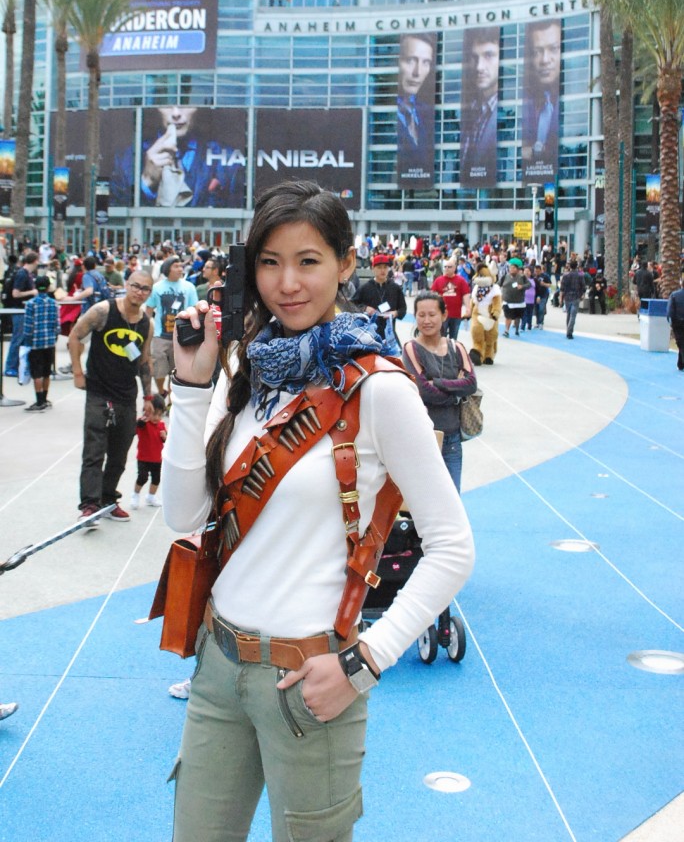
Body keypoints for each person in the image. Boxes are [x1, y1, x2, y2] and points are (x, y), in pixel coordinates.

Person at [161, 181, 474, 842]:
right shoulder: (248, 369)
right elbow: (183, 514)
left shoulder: (380, 389)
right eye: (269, 261)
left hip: (312, 680)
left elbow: (453, 546)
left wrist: (364, 662)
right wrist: (192, 389)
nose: (286, 282)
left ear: (346, 264)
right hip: (217, 669)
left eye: (308, 260)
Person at [68, 271, 154, 526]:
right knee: (94, 450)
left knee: (119, 454)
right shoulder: (103, 310)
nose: (139, 292)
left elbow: (144, 361)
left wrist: (148, 395)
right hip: (99, 391)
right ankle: (89, 505)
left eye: (145, 289)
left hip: (127, 395)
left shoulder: (146, 323)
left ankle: (107, 499)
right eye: (136, 286)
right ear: (126, 286)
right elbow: (75, 335)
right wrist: (77, 372)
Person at [401, 291, 477, 493]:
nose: (426, 320)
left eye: (432, 314)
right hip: (423, 436)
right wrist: (454, 390)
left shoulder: (456, 347)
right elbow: (424, 391)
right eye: (421, 315)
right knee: (422, 503)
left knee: (452, 499)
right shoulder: (411, 349)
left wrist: (439, 382)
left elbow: (471, 383)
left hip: (452, 437)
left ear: (444, 315)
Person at [110, 105, 244, 208]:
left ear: (198, 109)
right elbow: (115, 213)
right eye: (167, 105)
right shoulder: (125, 159)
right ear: (156, 109)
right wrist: (146, 183)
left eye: (185, 104)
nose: (176, 114)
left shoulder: (227, 158)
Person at [146, 257, 199, 395]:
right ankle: (161, 391)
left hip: (181, 335)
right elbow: (149, 309)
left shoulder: (189, 287)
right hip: (160, 335)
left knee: (176, 370)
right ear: (167, 269)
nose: (180, 269)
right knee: (159, 369)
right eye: (176, 266)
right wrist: (146, 328)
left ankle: (171, 398)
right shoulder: (157, 288)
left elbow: (194, 308)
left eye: (181, 266)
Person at [459, 27, 500, 186]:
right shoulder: (471, 112)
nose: (479, 67)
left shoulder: (508, 115)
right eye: (474, 57)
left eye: (488, 56)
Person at [522, 20, 561, 177]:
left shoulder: (574, 106)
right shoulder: (524, 103)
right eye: (537, 52)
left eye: (553, 49)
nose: (545, 60)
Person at [396, 33, 435, 181]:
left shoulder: (427, 113)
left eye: (425, 62)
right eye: (411, 60)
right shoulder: (381, 118)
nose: (417, 72)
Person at [355, 253, 406, 354]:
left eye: (385, 267)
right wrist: (364, 308)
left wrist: (395, 313)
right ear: (373, 268)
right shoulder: (365, 288)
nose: (382, 270)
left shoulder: (395, 288)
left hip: (390, 335)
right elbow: (352, 305)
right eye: (379, 267)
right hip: (369, 337)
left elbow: (403, 309)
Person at [21, 275, 60, 412]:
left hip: (35, 343)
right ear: (48, 287)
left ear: (35, 287)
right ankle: (45, 398)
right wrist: (54, 337)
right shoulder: (54, 303)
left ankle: (39, 401)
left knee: (36, 372)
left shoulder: (31, 304)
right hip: (49, 342)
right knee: (46, 371)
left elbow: (27, 326)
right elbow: (57, 325)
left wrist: (26, 340)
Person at [4, 251, 39, 377]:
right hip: (19, 309)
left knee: (22, 338)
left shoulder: (25, 273)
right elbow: (16, 293)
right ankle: (10, 366)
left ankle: (17, 365)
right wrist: (32, 292)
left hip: (22, 309)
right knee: (18, 338)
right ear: (35, 261)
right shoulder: (22, 274)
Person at [131, 394, 167, 509]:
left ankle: (151, 496)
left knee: (156, 479)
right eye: (154, 414)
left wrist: (164, 436)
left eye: (160, 415)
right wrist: (144, 417)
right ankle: (135, 495)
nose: (157, 418)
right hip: (143, 457)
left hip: (157, 458)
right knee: (142, 477)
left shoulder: (161, 425)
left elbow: (165, 440)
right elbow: (138, 425)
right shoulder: (144, 423)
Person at [430, 257, 471, 340]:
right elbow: (432, 294)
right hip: (442, 314)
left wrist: (468, 308)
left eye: (449, 267)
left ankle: (452, 351)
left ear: (454, 268)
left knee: (453, 338)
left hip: (456, 314)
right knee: (441, 337)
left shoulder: (461, 280)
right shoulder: (438, 280)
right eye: (445, 267)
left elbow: (466, 294)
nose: (447, 269)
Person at [501, 258, 530, 337]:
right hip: (507, 300)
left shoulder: (522, 277)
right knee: (508, 316)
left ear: (517, 270)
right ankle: (506, 331)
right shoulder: (505, 277)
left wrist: (522, 286)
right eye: (510, 268)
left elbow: (529, 285)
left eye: (514, 268)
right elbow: (498, 284)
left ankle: (517, 329)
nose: (512, 269)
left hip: (518, 302)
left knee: (517, 317)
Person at [559, 259, 586, 340]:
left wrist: (561, 298)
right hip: (576, 296)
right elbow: (583, 287)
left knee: (569, 314)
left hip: (567, 297)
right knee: (573, 315)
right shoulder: (580, 276)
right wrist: (582, 295)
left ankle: (568, 329)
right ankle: (569, 332)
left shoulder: (565, 275)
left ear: (569, 266)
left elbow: (562, 288)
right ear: (576, 266)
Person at [666, 274, 684, 371]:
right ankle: (680, 363)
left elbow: (670, 310)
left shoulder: (674, 295)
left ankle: (681, 363)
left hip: (677, 322)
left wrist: (669, 319)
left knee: (681, 343)